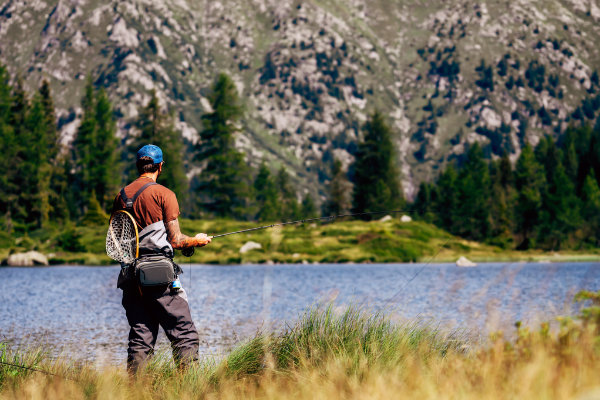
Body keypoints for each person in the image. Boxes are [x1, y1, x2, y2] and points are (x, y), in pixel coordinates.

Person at [112, 144, 211, 373]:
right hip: (159, 277)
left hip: (130, 277)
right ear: (160, 166)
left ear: (139, 166)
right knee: (184, 333)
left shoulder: (121, 196)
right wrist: (197, 240)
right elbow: (176, 240)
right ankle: (189, 389)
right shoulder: (164, 194)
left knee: (141, 338)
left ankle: (134, 392)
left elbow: (117, 236)